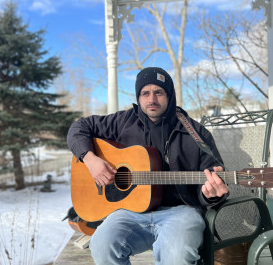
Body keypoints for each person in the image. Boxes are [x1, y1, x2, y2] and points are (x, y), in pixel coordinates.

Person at [67, 67, 229, 265]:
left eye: (158, 92)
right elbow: (78, 128)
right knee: (102, 245)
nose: (151, 99)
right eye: (145, 93)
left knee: (177, 255)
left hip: (181, 212)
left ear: (169, 96)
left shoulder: (196, 133)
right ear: (139, 96)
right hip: (130, 213)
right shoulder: (122, 121)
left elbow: (213, 177)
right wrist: (90, 159)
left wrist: (210, 194)